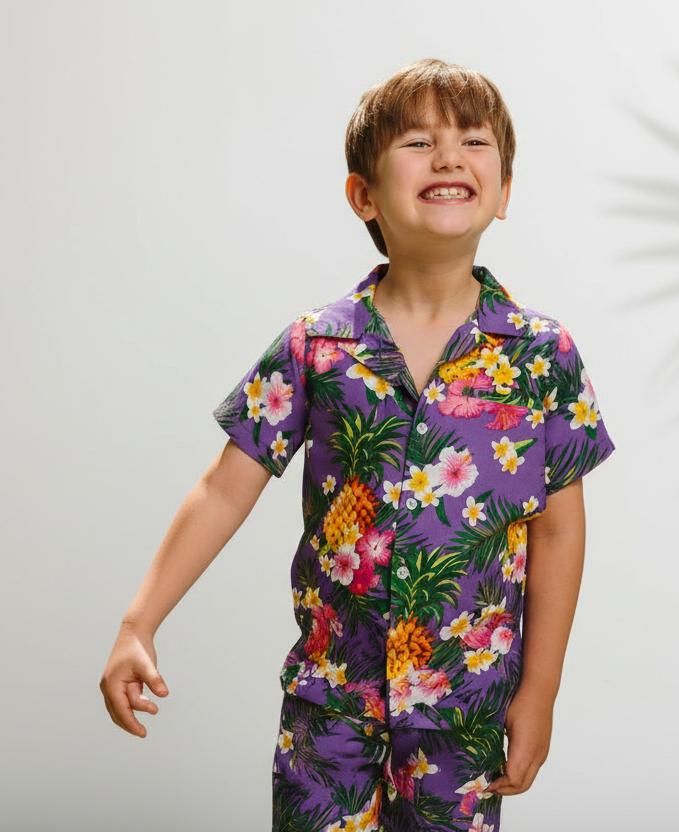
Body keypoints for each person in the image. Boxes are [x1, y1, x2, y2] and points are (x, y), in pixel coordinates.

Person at [100, 58, 615, 832]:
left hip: (465, 715)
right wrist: (137, 624)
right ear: (364, 195)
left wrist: (539, 692)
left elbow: (559, 532)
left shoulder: (543, 356)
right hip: (330, 706)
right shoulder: (316, 346)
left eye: (473, 141)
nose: (448, 157)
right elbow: (224, 489)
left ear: (504, 190)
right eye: (419, 142)